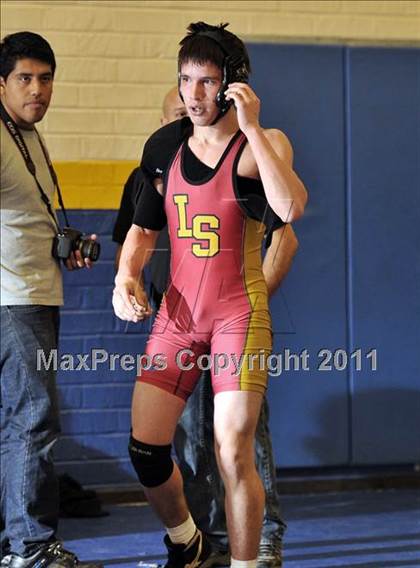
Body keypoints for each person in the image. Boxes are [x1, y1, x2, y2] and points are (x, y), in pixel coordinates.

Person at [113, 21, 307, 568]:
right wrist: (125, 277)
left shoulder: (260, 146)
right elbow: (142, 231)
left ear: (231, 86)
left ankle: (247, 561)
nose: (191, 95)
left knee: (232, 449)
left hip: (235, 314)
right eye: (184, 81)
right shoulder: (162, 147)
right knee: (146, 449)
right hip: (178, 315)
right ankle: (186, 542)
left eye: (205, 83)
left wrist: (252, 124)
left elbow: (290, 213)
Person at [0, 32, 101, 568]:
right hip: (11, 299)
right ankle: (30, 548)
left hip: (34, 291)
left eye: (45, 79)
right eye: (24, 79)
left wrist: (60, 245)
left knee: (18, 421)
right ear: (2, 83)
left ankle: (15, 542)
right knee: (34, 418)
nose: (37, 89)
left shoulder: (28, 135)